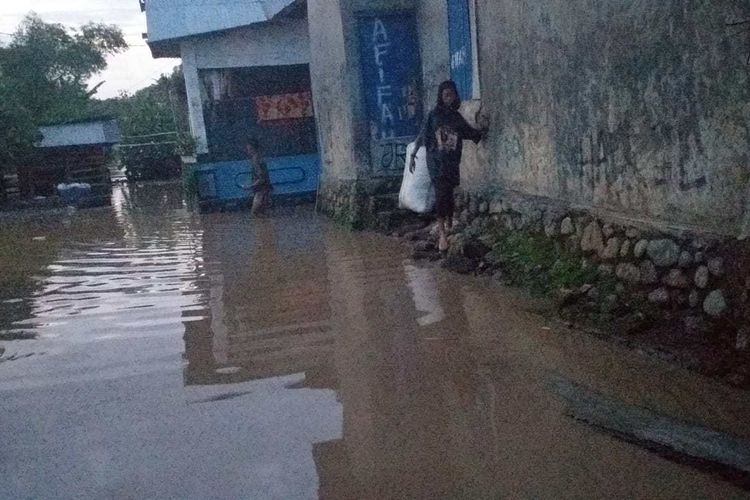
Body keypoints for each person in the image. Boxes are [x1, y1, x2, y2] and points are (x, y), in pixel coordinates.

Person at [410, 80, 487, 253]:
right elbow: (423, 134)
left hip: (452, 162)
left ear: (455, 96)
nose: (449, 98)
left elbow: (469, 132)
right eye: (445, 95)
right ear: (440, 96)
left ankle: (450, 224)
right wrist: (413, 154)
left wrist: (482, 130)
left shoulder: (455, 117)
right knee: (441, 193)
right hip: (436, 162)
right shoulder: (433, 115)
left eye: (451, 95)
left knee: (450, 191)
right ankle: (442, 233)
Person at [246, 137, 272, 216]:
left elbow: (261, 177)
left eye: (249, 149)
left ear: (253, 149)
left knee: (255, 213)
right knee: (263, 212)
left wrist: (251, 185)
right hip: (264, 187)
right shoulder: (260, 158)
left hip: (260, 188)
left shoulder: (256, 159)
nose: (248, 151)